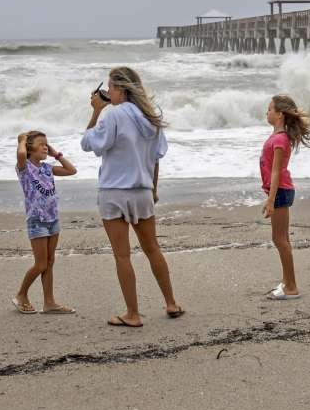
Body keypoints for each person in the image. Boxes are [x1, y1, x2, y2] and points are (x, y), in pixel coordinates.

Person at [81, 66, 184, 327]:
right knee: (153, 249)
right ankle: (171, 302)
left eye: (110, 88)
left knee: (122, 255)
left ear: (121, 89)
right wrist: (154, 189)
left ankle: (133, 314)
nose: (108, 92)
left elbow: (88, 143)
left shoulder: (114, 115)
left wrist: (96, 110)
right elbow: (156, 159)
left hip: (114, 192)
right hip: (142, 191)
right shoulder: (151, 117)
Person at [12, 130, 77, 315]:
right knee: (40, 264)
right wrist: (22, 140)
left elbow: (72, 170)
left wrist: (56, 155)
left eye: (46, 144)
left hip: (52, 219)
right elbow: (21, 154)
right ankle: (21, 295)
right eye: (41, 144)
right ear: (29, 148)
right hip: (37, 220)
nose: (45, 147)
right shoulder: (24, 168)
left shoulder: (48, 168)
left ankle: (49, 303)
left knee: (49, 262)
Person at [261, 94, 310, 300]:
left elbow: (276, 172)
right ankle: (286, 282)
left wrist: (270, 199)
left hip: (280, 191)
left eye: (270, 109)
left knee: (279, 239)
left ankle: (292, 286)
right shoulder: (277, 136)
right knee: (282, 239)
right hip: (280, 191)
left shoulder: (280, 139)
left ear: (280, 114)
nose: (267, 112)